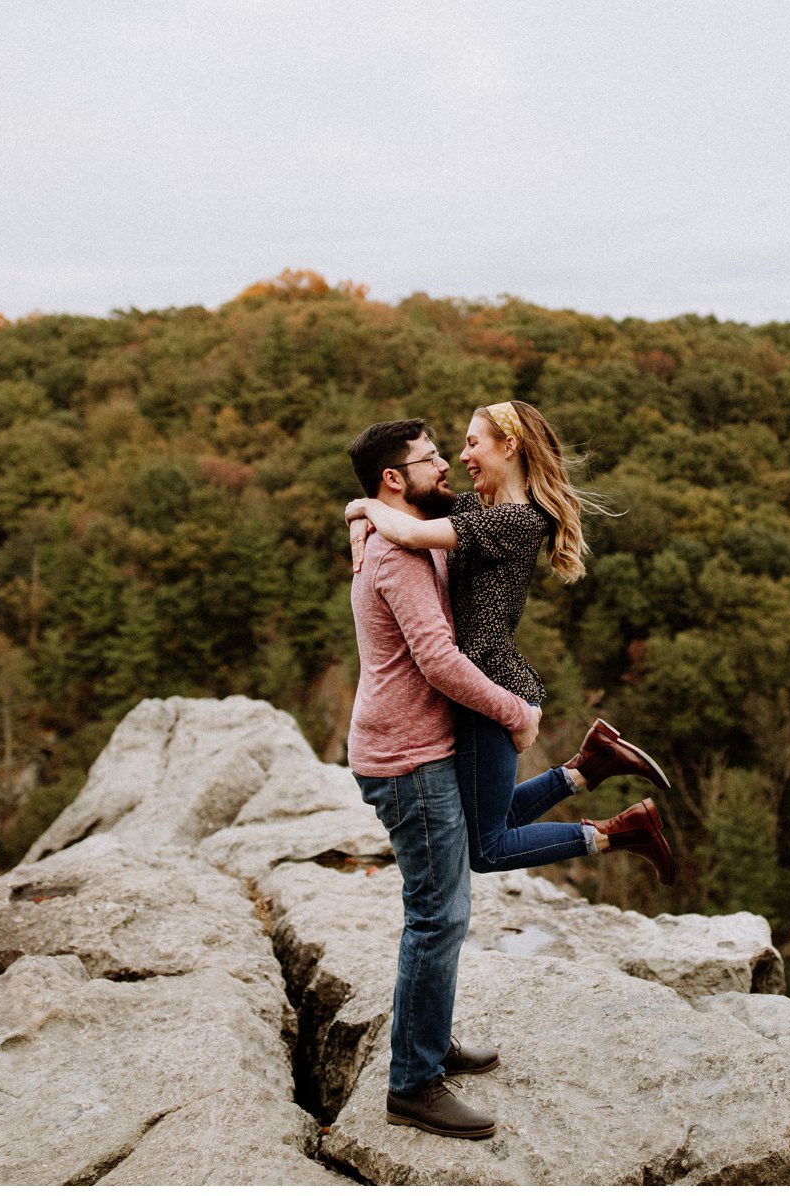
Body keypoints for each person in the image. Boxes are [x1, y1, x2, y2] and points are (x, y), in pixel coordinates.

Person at [346, 399, 676, 885]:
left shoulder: (516, 521)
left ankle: (618, 833)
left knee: (487, 848)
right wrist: (362, 512)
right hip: (478, 682)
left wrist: (363, 505)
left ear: (509, 447)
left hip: (487, 685)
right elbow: (413, 517)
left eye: (472, 443)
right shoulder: (478, 509)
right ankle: (588, 768)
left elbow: (412, 532)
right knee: (478, 824)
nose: (460, 457)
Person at [342, 418, 539, 1141]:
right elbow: (440, 662)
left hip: (418, 747)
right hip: (407, 758)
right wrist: (517, 712)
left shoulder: (407, 528)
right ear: (395, 478)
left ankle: (430, 1040)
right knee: (438, 915)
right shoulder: (396, 555)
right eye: (429, 460)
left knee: (446, 910)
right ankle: (414, 1084)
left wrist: (357, 514)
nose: (445, 467)